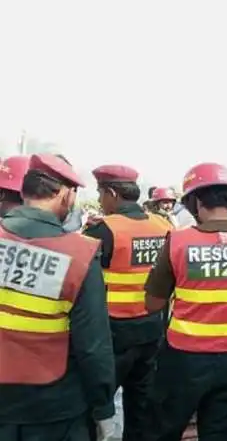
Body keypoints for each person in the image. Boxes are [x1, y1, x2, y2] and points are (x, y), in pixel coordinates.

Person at [144, 162, 227, 440]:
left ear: (194, 201)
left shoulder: (178, 241)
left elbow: (153, 304)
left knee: (162, 430)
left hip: (183, 359)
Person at [0, 154, 116, 441]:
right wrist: (103, 408)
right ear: (65, 194)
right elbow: (93, 345)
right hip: (52, 406)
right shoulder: (80, 255)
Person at [82, 165, 172, 441]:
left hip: (113, 332)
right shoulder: (164, 225)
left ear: (111, 193)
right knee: (142, 402)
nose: (99, 201)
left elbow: (81, 278)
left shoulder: (103, 229)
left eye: (100, 193)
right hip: (153, 327)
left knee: (98, 401)